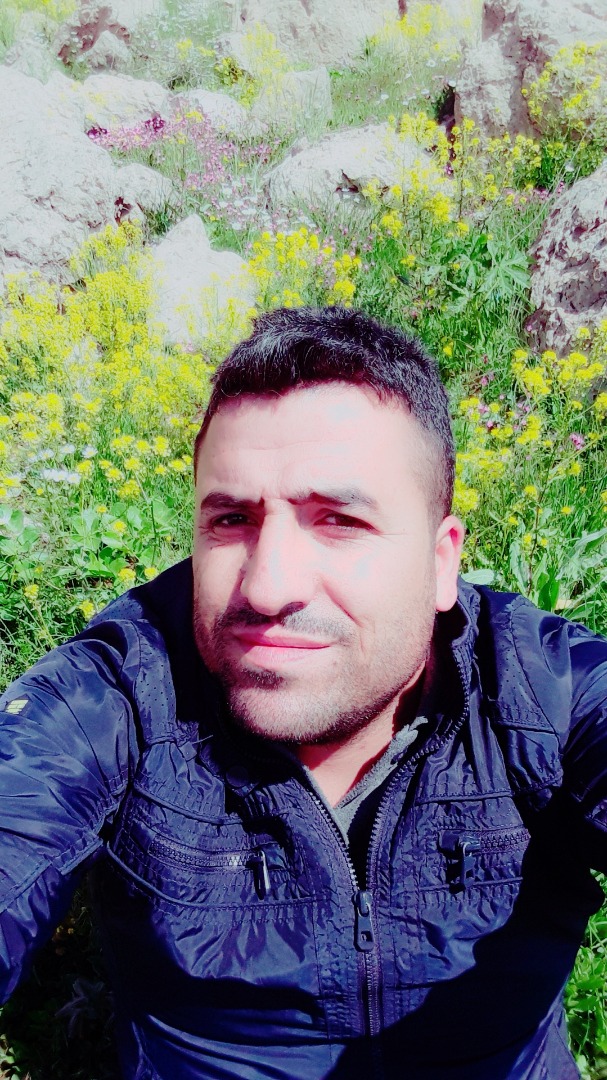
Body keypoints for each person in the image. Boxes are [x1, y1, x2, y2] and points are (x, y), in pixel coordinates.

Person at [1, 306, 606, 1080]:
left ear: (440, 562)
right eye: (231, 519)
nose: (266, 585)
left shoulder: (543, 696)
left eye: (339, 521)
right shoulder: (121, 694)